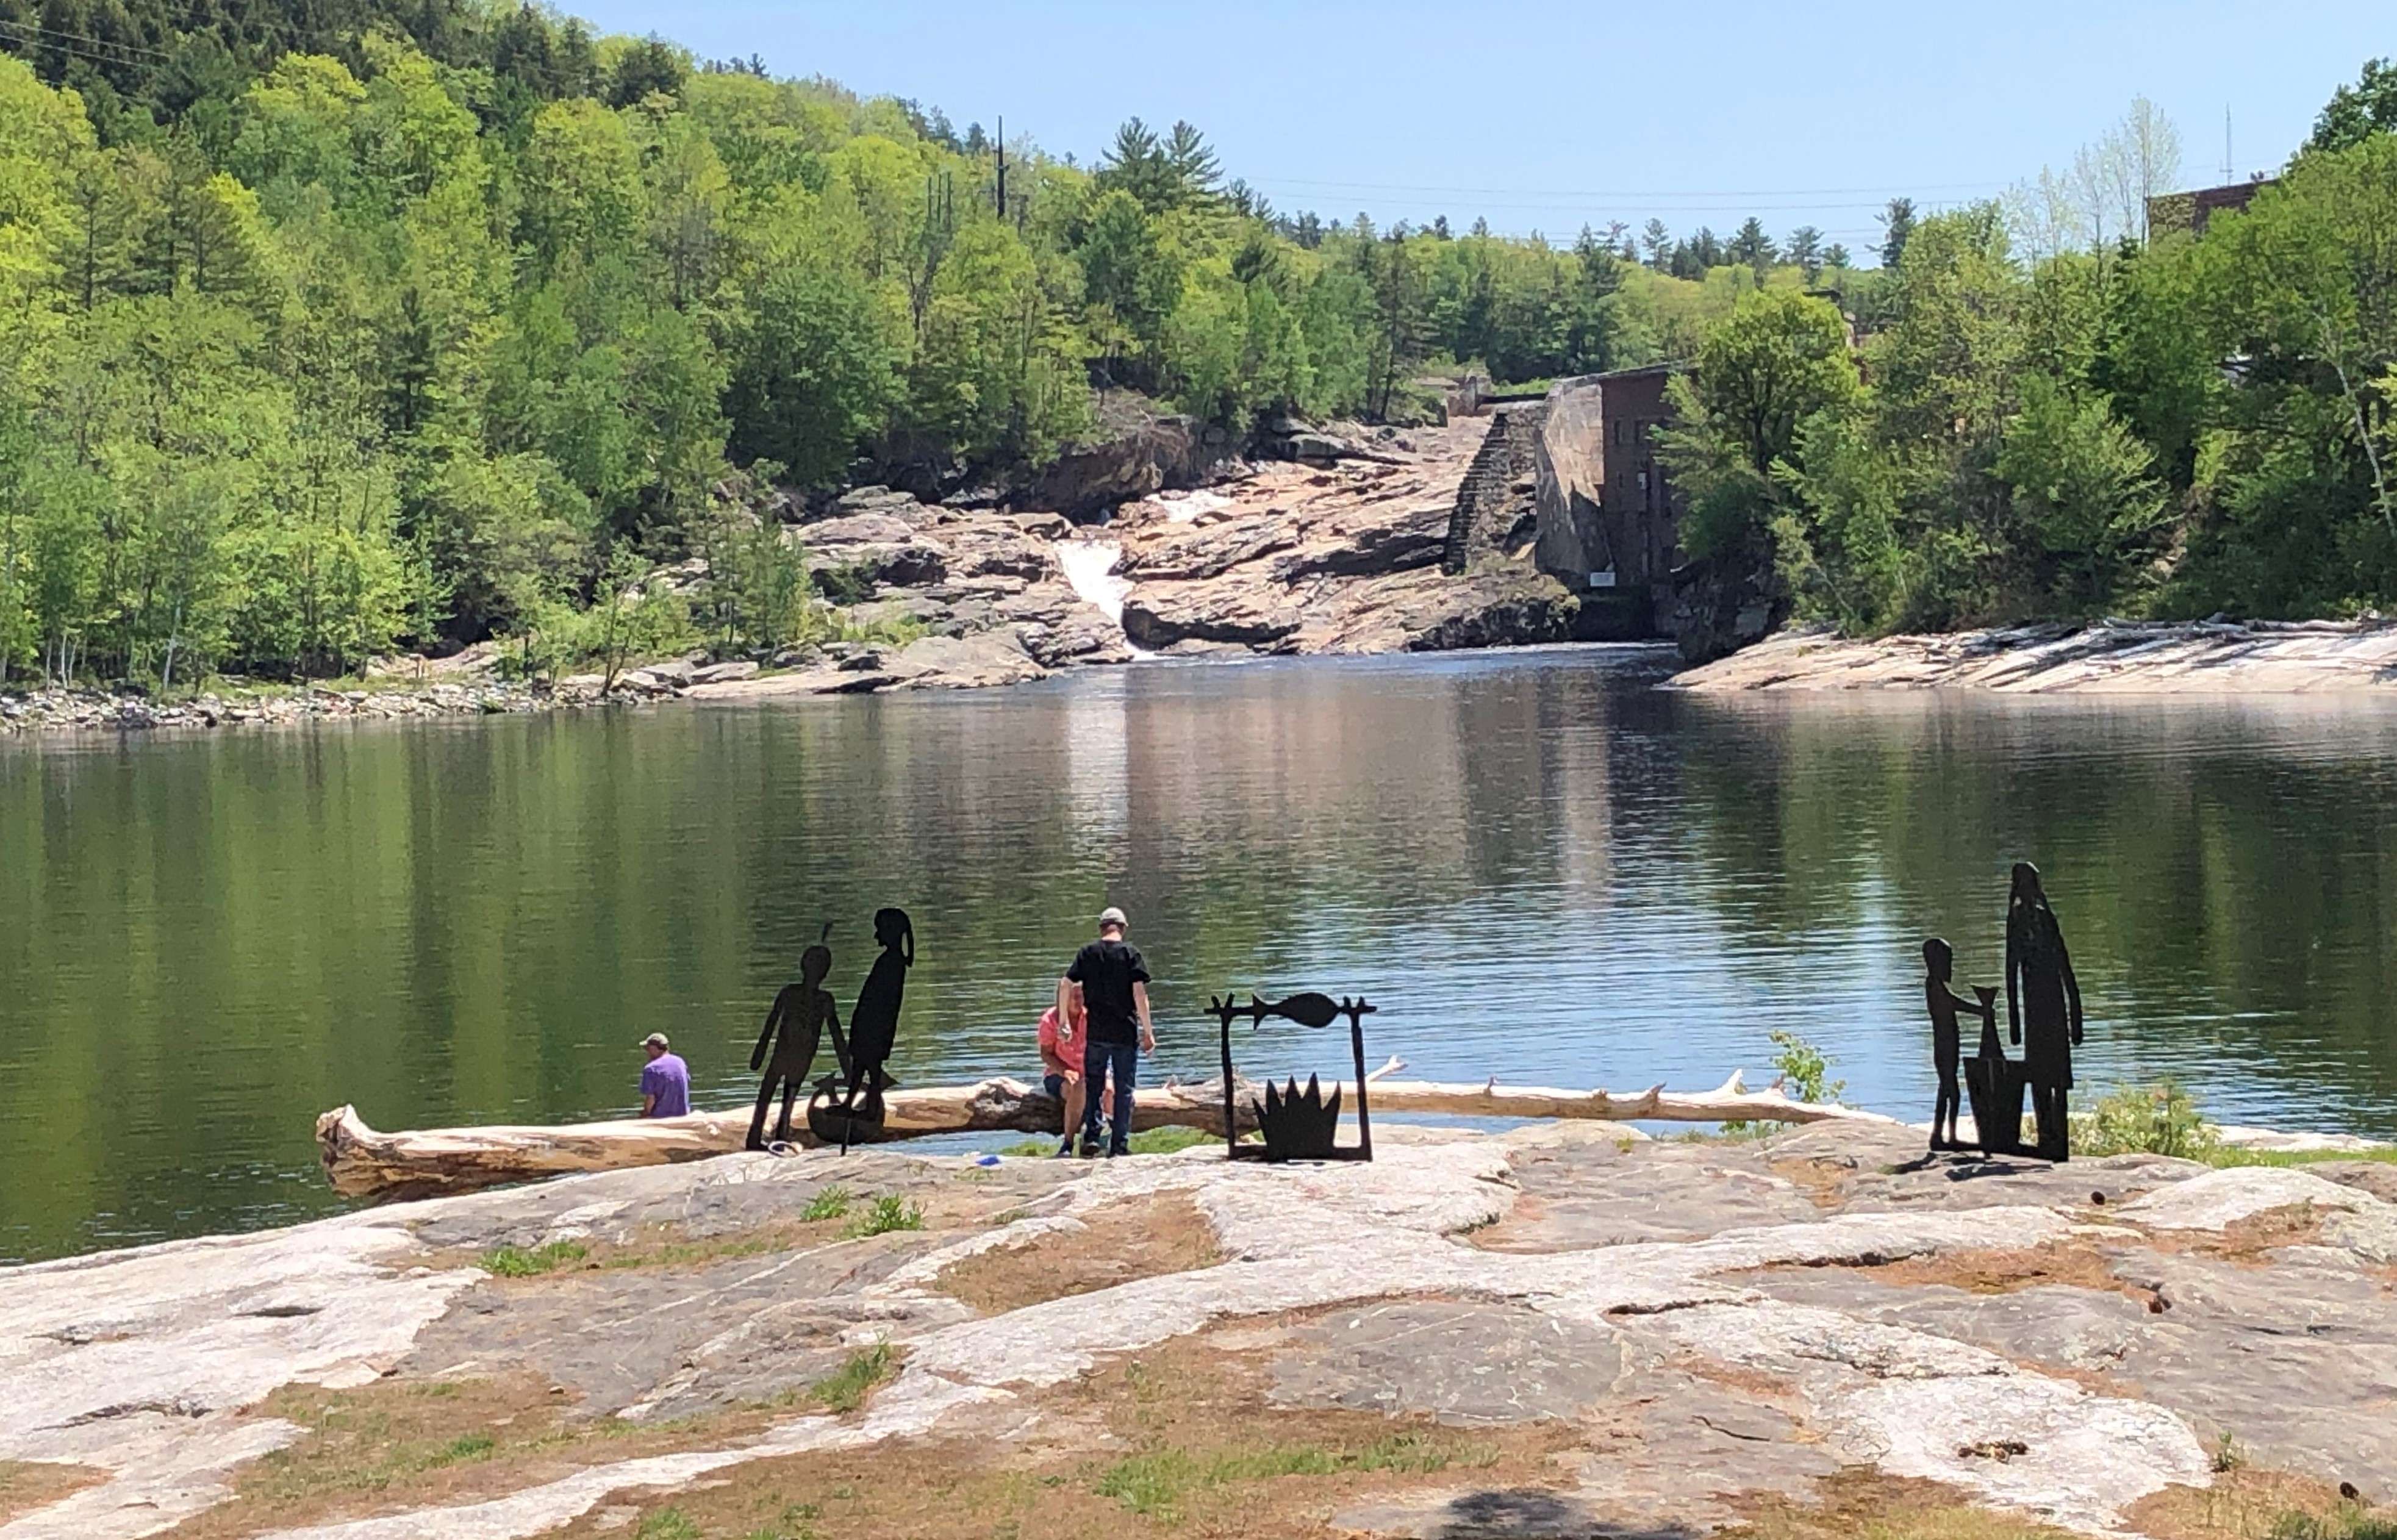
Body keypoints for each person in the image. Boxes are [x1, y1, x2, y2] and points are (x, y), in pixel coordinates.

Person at [2006, 862, 2083, 1162]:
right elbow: (2011, 969)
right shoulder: (2015, 922)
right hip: (2034, 1007)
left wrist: (2076, 1016)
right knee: (2039, 1073)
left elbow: (2065, 966)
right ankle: (2045, 1137)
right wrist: (2013, 1020)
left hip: (2053, 1003)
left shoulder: (2046, 920)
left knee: (2059, 1077)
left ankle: (2059, 1141)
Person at [1061, 906, 1153, 1158]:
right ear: (1122, 929)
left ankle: (1091, 1135)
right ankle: (1118, 1146)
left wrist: (1063, 1021)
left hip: (1096, 1033)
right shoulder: (1130, 954)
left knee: (1094, 1085)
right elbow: (1139, 995)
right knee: (1123, 1090)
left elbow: (1065, 983)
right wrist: (1148, 1031)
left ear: (1102, 928)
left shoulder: (1087, 953)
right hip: (1124, 1032)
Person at [748, 928, 848, 1151]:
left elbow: (836, 1036)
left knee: (777, 1096)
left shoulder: (801, 995)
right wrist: (847, 1067)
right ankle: (768, 1137)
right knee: (782, 1096)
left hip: (790, 1055)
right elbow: (837, 1036)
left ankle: (770, 1136)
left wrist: (848, 1066)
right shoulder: (811, 998)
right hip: (794, 1055)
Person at [1921, 938, 1994, 1152]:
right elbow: (1953, 1004)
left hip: (1950, 1043)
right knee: (1950, 1090)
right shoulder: (1934, 985)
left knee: (1948, 1091)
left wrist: (1981, 1011)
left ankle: (1943, 1135)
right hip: (1944, 1046)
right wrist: (1980, 1011)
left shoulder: (1937, 985)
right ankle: (1944, 1136)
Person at [1036, 988, 1087, 1158]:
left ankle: (1108, 1142)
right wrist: (1065, 1071)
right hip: (1058, 1074)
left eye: (1080, 997)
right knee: (1077, 1087)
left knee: (1112, 1091)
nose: (1076, 1002)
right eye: (1072, 998)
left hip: (1089, 1072)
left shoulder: (1090, 1016)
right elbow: (1045, 1053)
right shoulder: (1051, 1020)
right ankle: (1068, 1143)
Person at [639, 1032, 690, 1119]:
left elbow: (651, 1100)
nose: (647, 1052)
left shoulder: (651, 1069)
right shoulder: (680, 1062)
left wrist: (644, 1115)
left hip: (662, 1119)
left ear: (655, 1048)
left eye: (647, 1048)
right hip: (684, 1115)